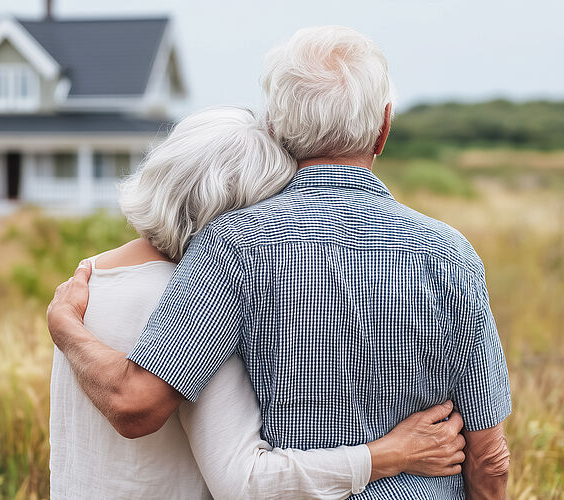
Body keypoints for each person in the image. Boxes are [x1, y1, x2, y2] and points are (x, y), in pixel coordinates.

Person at [49, 26, 512, 499]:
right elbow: (488, 458)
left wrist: (65, 324)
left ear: (275, 125)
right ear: (384, 127)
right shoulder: (452, 254)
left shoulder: (234, 244)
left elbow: (137, 402)